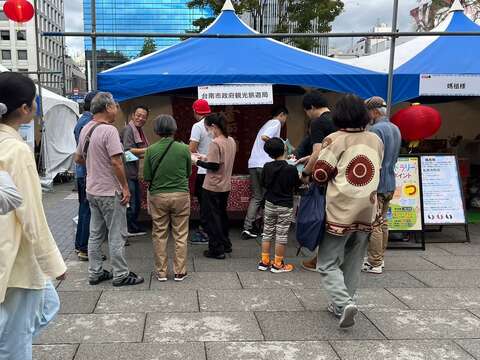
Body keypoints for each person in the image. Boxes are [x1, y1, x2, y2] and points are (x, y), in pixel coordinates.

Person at [300, 94, 383, 328]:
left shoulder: (334, 139)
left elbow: (320, 174)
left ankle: (343, 302)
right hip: (367, 209)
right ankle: (343, 304)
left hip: (340, 209)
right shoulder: (375, 140)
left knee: (327, 262)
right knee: (354, 261)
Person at [0, 72, 66, 359]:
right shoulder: (16, 149)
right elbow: (31, 214)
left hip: (10, 252)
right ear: (25, 109)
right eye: (34, 102)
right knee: (17, 343)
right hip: (16, 258)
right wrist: (53, 262)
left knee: (47, 306)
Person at [75, 92, 144, 287]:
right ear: (107, 108)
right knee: (117, 233)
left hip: (92, 189)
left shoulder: (86, 128)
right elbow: (116, 162)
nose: (116, 109)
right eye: (115, 105)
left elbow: (78, 158)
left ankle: (95, 272)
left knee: (95, 233)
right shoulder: (110, 131)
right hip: (109, 190)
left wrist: (95, 166)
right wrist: (125, 187)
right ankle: (121, 274)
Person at [144, 115, 192, 282]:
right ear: (174, 128)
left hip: (158, 196)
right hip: (180, 195)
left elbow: (147, 176)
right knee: (181, 234)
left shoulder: (151, 150)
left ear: (156, 130)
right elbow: (188, 173)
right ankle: (180, 271)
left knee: (159, 233)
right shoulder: (184, 149)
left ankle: (161, 272)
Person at [298, 92, 337, 271]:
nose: (308, 115)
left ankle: (321, 259)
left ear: (312, 107)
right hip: (343, 175)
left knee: (322, 218)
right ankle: (336, 258)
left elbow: (319, 151)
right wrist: (308, 157)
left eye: (306, 111)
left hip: (325, 177)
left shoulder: (318, 122)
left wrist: (306, 172)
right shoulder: (337, 119)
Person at [362, 96, 401, 274]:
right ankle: (380, 258)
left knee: (375, 224)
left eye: (368, 111)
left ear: (375, 111)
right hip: (391, 181)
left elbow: (372, 160)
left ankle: (374, 262)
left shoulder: (375, 130)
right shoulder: (395, 128)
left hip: (378, 184)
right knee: (383, 221)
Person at [192, 113, 237, 259]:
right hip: (225, 185)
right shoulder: (230, 140)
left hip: (212, 186)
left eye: (207, 128)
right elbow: (221, 161)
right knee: (222, 216)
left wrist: (196, 161)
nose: (207, 132)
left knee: (210, 218)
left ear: (213, 127)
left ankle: (216, 249)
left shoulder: (215, 142)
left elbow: (213, 166)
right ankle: (225, 244)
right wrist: (204, 157)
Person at [242, 106, 289, 239]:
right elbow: (265, 137)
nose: (285, 121)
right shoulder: (276, 123)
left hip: (253, 163)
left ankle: (247, 228)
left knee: (257, 196)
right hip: (265, 165)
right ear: (281, 114)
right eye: (285, 117)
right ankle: (265, 228)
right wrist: (281, 146)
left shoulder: (266, 123)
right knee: (268, 195)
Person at [257, 138, 301, 273]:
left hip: (270, 203)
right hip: (285, 205)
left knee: (267, 232)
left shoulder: (267, 166)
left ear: (269, 154)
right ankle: (277, 264)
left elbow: (263, 183)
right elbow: (297, 185)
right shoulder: (291, 169)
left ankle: (264, 261)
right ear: (284, 149)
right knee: (281, 235)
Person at [73, 90, 99, 261]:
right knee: (87, 211)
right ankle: (83, 247)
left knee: (84, 209)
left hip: (82, 173)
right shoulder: (89, 123)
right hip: (86, 173)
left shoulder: (82, 121)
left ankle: (79, 246)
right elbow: (84, 153)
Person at [121, 105, 150, 237]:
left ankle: (131, 226)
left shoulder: (139, 131)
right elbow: (127, 153)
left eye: (143, 117)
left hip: (132, 171)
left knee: (135, 202)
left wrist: (149, 154)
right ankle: (128, 227)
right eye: (138, 115)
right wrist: (147, 151)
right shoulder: (129, 130)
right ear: (133, 115)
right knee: (132, 203)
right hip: (127, 172)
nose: (140, 118)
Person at [189, 99, 212, 245]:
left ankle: (204, 232)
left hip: (203, 169)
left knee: (204, 203)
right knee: (212, 203)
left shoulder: (198, 126)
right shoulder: (216, 124)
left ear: (195, 111)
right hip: (216, 168)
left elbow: (192, 148)